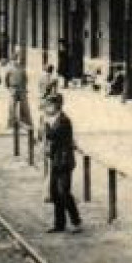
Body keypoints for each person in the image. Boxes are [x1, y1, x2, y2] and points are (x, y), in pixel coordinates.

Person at [42, 94, 82, 234]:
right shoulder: (56, 119)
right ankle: (59, 224)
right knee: (55, 193)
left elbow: (52, 135)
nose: (47, 108)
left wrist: (46, 124)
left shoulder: (64, 121)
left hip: (64, 161)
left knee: (64, 192)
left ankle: (76, 222)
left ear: (57, 106)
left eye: (49, 105)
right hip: (56, 160)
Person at [4, 54, 30, 137]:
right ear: (12, 60)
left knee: (23, 107)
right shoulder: (9, 69)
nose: (15, 61)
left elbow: (25, 78)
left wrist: (24, 87)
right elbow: (6, 79)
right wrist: (9, 88)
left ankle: (24, 123)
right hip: (13, 89)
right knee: (12, 107)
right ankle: (11, 123)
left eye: (16, 59)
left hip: (21, 89)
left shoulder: (21, 68)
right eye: (14, 59)